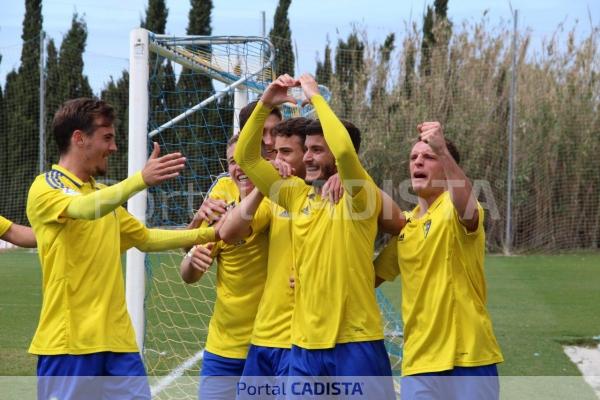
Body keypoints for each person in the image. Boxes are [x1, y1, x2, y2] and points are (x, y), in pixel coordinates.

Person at [26, 98, 219, 400]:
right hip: (69, 344)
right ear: (79, 138)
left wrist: (213, 232)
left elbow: (145, 239)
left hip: (118, 344)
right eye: (107, 137)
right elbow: (84, 209)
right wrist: (140, 179)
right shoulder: (46, 186)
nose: (114, 147)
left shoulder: (103, 194)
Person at [234, 74, 395, 398]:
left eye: (318, 150)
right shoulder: (296, 196)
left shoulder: (360, 197)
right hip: (304, 347)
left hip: (356, 342)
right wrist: (265, 103)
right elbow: (247, 158)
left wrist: (315, 98)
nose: (306, 157)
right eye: (306, 149)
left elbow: (348, 157)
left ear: (336, 154)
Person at [374, 122, 504, 400]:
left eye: (428, 156)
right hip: (419, 362)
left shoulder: (455, 210)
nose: (418, 161)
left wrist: (442, 149)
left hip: (469, 357)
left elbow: (467, 207)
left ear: (447, 167)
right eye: (413, 158)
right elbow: (366, 280)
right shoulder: (405, 228)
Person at [217, 117, 312, 387]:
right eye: (274, 152)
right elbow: (229, 232)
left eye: (285, 152)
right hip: (263, 337)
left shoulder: (329, 195)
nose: (276, 158)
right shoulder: (274, 196)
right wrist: (264, 184)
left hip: (300, 340)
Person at [180, 135, 271, 400]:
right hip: (224, 345)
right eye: (233, 161)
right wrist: (193, 258)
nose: (239, 168)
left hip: (267, 346)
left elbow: (231, 230)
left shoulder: (275, 196)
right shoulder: (223, 189)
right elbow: (189, 268)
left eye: (246, 160)